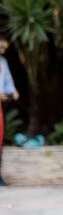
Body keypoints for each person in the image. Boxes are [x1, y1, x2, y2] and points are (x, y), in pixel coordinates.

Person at [0, 35, 20, 187]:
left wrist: (13, 91)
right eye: (0, 47)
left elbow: (7, 81)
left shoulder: (3, 62)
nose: (2, 51)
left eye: (4, 49)